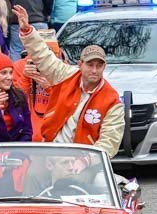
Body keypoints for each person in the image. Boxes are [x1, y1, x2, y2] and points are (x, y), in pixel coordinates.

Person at [14, 5, 124, 157]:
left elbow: (110, 141)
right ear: (80, 64)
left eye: (99, 66)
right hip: (52, 153)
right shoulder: (66, 75)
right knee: (31, 176)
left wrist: (85, 161)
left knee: (101, 179)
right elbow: (43, 56)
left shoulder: (112, 101)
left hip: (84, 161)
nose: (94, 70)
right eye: (90, 64)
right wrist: (27, 31)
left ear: (104, 67)